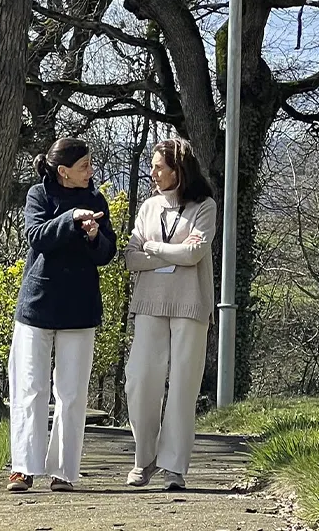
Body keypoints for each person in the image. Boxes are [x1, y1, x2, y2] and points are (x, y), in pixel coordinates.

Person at [6, 138, 117, 493]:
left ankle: (64, 471)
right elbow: (37, 237)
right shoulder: (38, 195)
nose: (91, 171)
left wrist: (94, 235)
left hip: (80, 308)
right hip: (37, 305)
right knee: (31, 388)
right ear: (63, 172)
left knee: (71, 394)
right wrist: (70, 219)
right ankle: (23, 467)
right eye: (85, 166)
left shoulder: (96, 199)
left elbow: (107, 253)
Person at [123, 137, 217, 491]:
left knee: (182, 386)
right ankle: (144, 458)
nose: (153, 173)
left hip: (190, 304)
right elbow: (131, 258)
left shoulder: (204, 206)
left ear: (179, 170)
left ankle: (174, 467)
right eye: (152, 167)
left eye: (159, 167)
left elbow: (194, 254)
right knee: (139, 379)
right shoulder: (148, 208)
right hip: (150, 302)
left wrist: (153, 248)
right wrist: (172, 252)